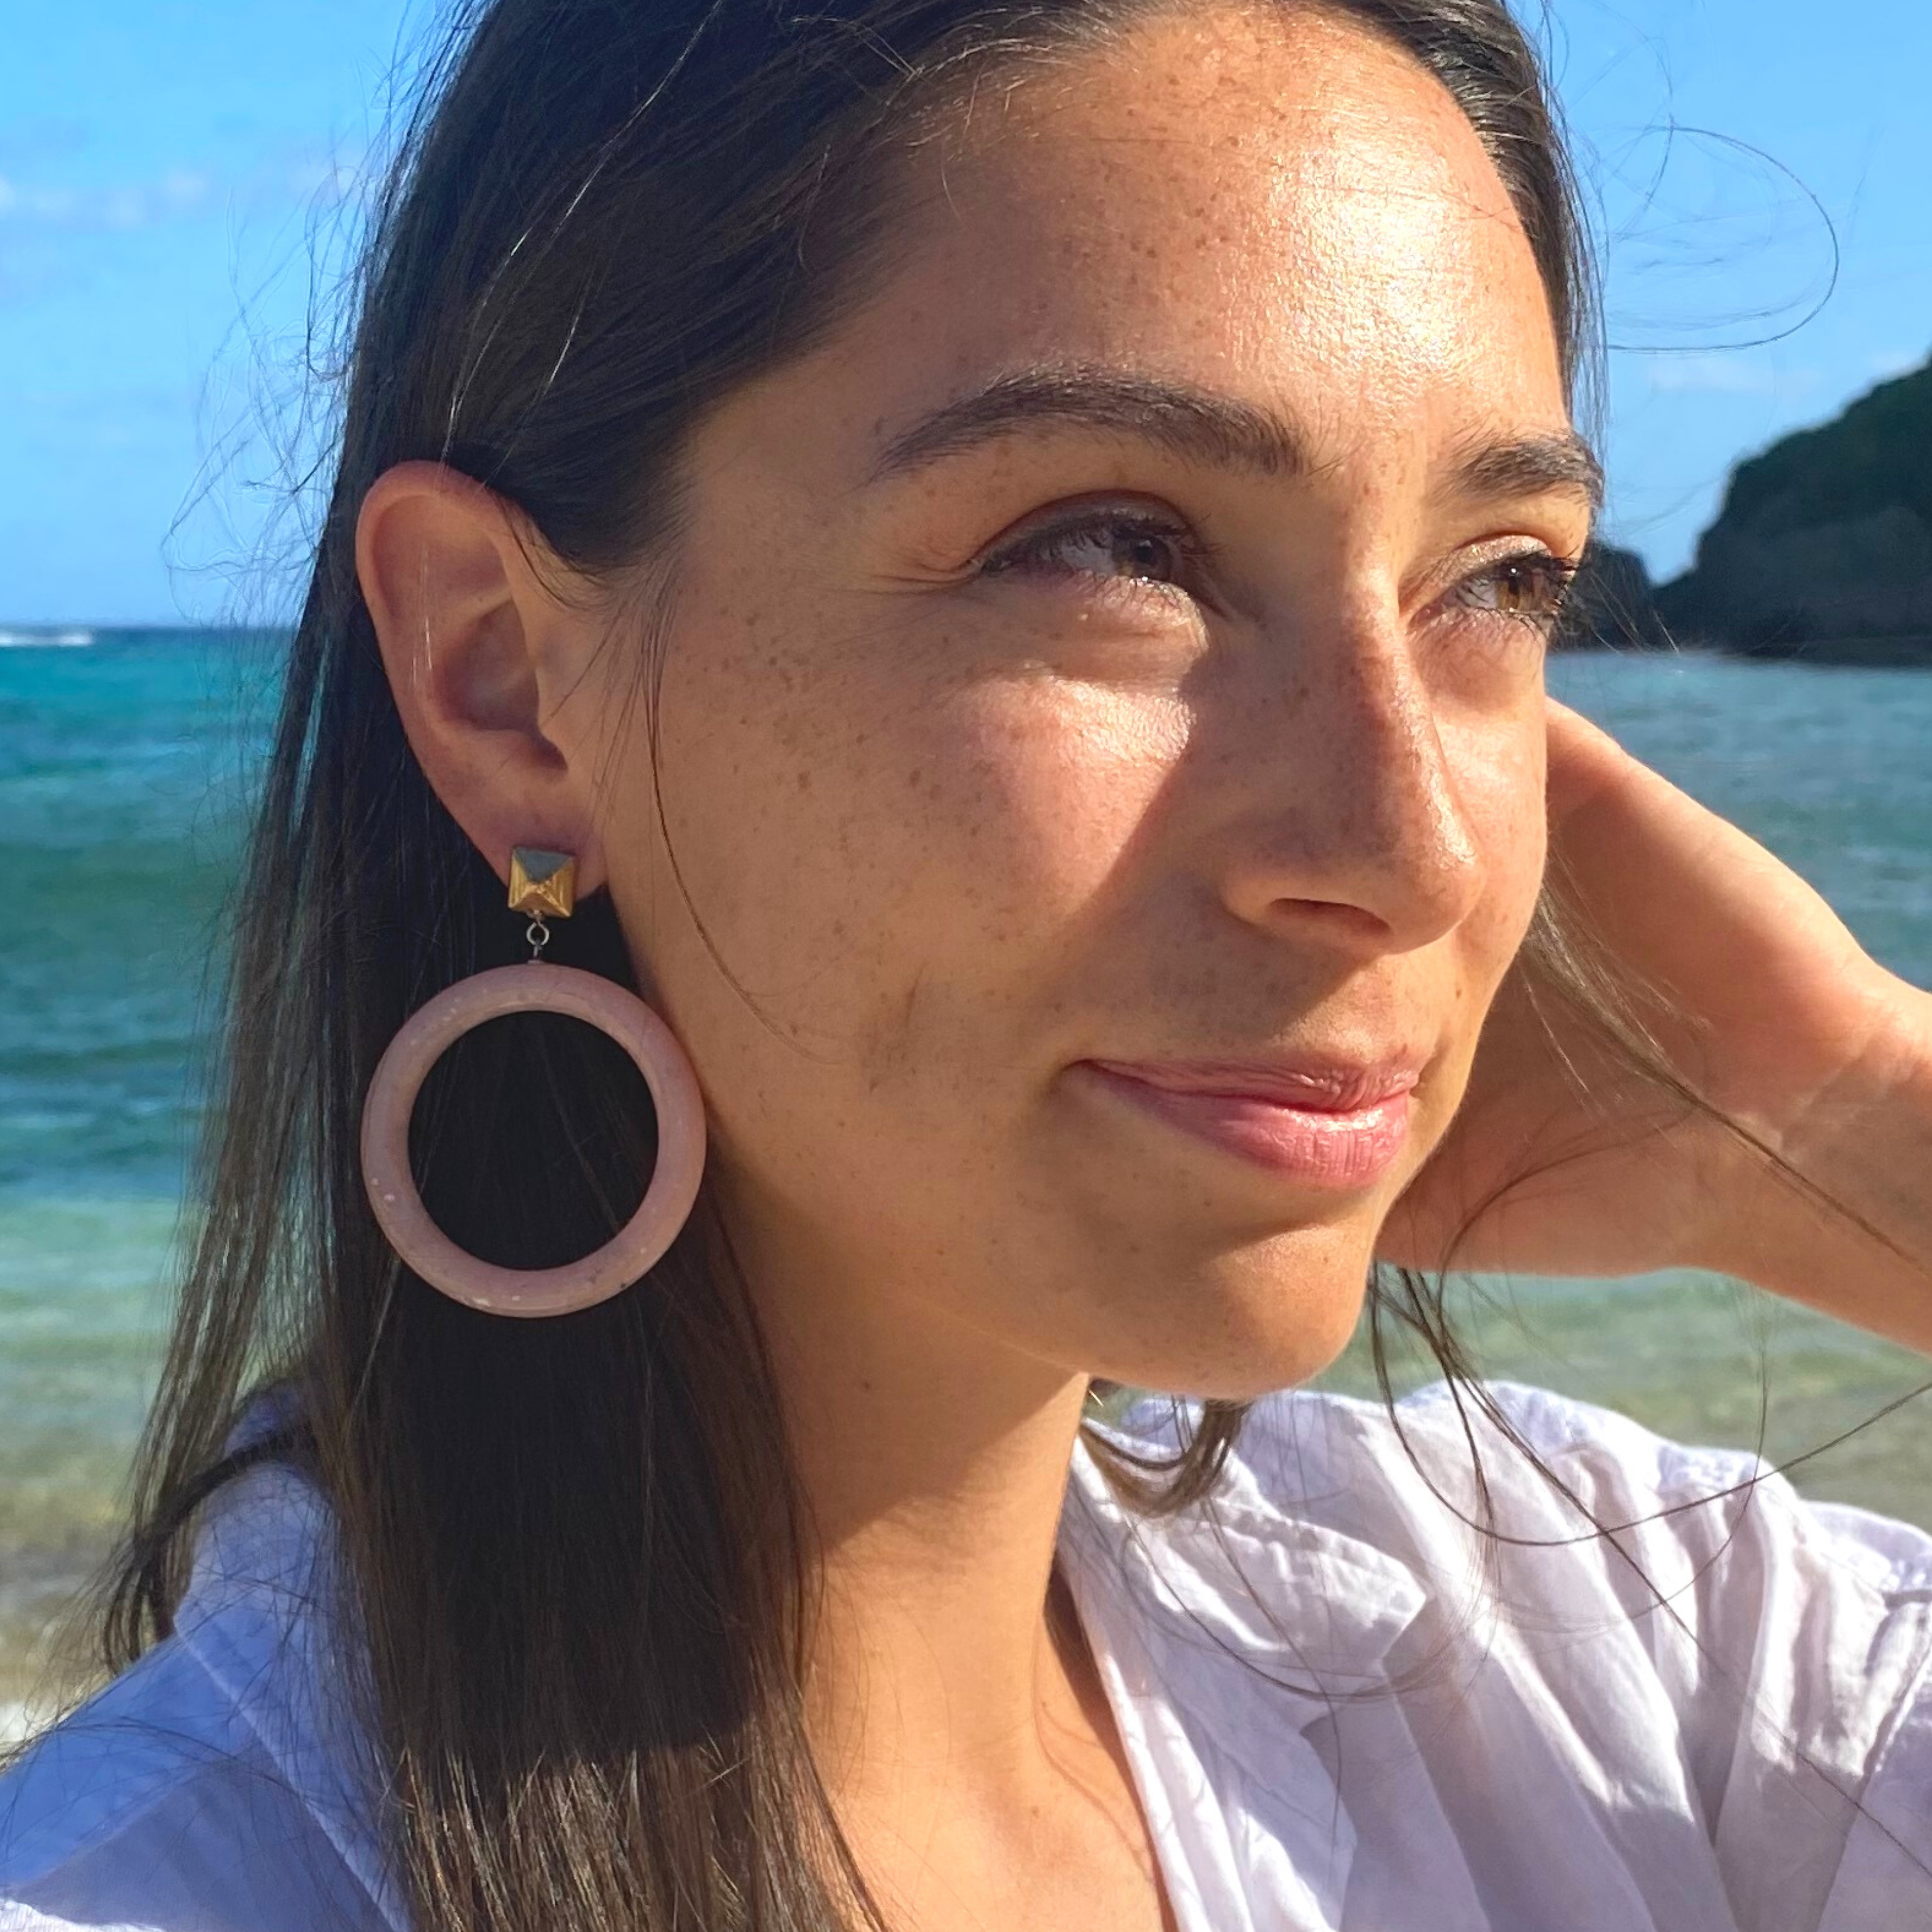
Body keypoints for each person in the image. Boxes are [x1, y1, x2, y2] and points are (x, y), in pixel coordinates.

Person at [4, 0, 1931, 1926]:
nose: (1413, 851)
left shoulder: (1614, 1684)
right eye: (1111, 546)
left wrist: (1838, 1126)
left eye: (1502, 580)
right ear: (503, 676)